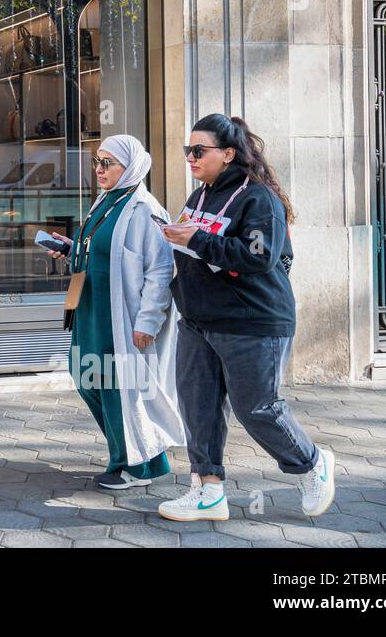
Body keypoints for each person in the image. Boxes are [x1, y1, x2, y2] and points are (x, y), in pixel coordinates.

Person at [157, 113, 336, 521]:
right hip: (199, 321)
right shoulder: (199, 197)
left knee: (256, 408)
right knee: (198, 405)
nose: (190, 157)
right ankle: (207, 490)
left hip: (252, 322)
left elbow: (258, 256)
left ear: (228, 154)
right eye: (187, 150)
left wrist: (198, 239)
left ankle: (311, 462)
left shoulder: (258, 198)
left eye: (198, 150)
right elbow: (193, 249)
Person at [46, 135, 184, 490]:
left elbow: (160, 271)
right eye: (97, 161)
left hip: (120, 315)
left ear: (131, 166)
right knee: (86, 375)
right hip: (92, 307)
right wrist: (72, 249)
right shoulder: (107, 201)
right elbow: (102, 249)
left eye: (108, 163)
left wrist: (148, 322)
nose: (99, 169)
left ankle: (134, 466)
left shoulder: (145, 209)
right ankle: (138, 457)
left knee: (117, 386)